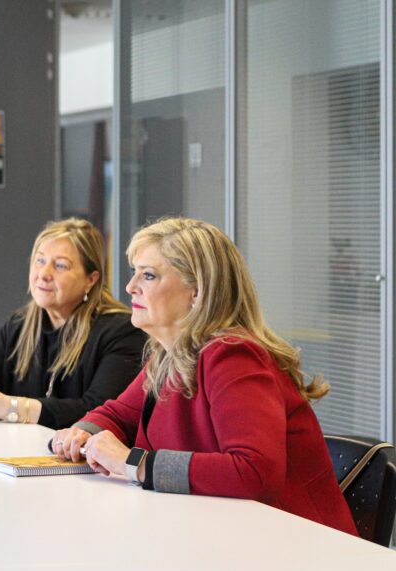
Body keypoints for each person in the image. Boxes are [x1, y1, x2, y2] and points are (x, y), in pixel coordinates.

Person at [51, 217, 356, 535]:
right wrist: (82, 433)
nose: (130, 287)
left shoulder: (234, 355)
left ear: (196, 293)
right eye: (134, 272)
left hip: (301, 555)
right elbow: (118, 414)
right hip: (226, 539)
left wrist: (133, 463)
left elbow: (255, 472)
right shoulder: (171, 354)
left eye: (149, 276)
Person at [0, 218, 145, 428]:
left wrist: (8, 407)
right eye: (40, 261)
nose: (44, 274)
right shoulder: (20, 326)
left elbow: (99, 412)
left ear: (91, 279)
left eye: (60, 266)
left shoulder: (121, 331)